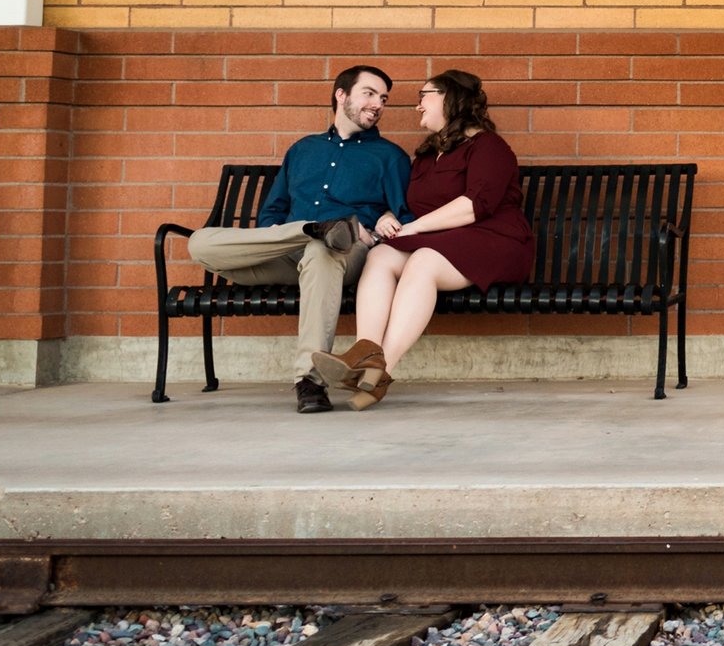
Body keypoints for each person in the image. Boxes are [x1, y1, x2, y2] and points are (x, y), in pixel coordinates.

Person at [184, 65, 413, 414]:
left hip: (344, 254)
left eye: (383, 99)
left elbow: (405, 217)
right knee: (199, 242)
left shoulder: (390, 156)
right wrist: (286, 235)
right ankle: (313, 228)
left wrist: (382, 219)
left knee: (323, 251)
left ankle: (309, 382)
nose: (377, 104)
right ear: (341, 95)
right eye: (369, 93)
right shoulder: (303, 150)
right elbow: (271, 216)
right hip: (285, 253)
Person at [311, 69, 533, 410]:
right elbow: (408, 208)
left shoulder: (489, 147)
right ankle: (365, 351)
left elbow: (475, 206)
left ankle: (382, 369)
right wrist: (389, 218)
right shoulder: (429, 156)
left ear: (450, 98)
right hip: (441, 242)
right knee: (381, 256)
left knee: (422, 262)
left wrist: (414, 229)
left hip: (494, 241)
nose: (417, 106)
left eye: (423, 96)